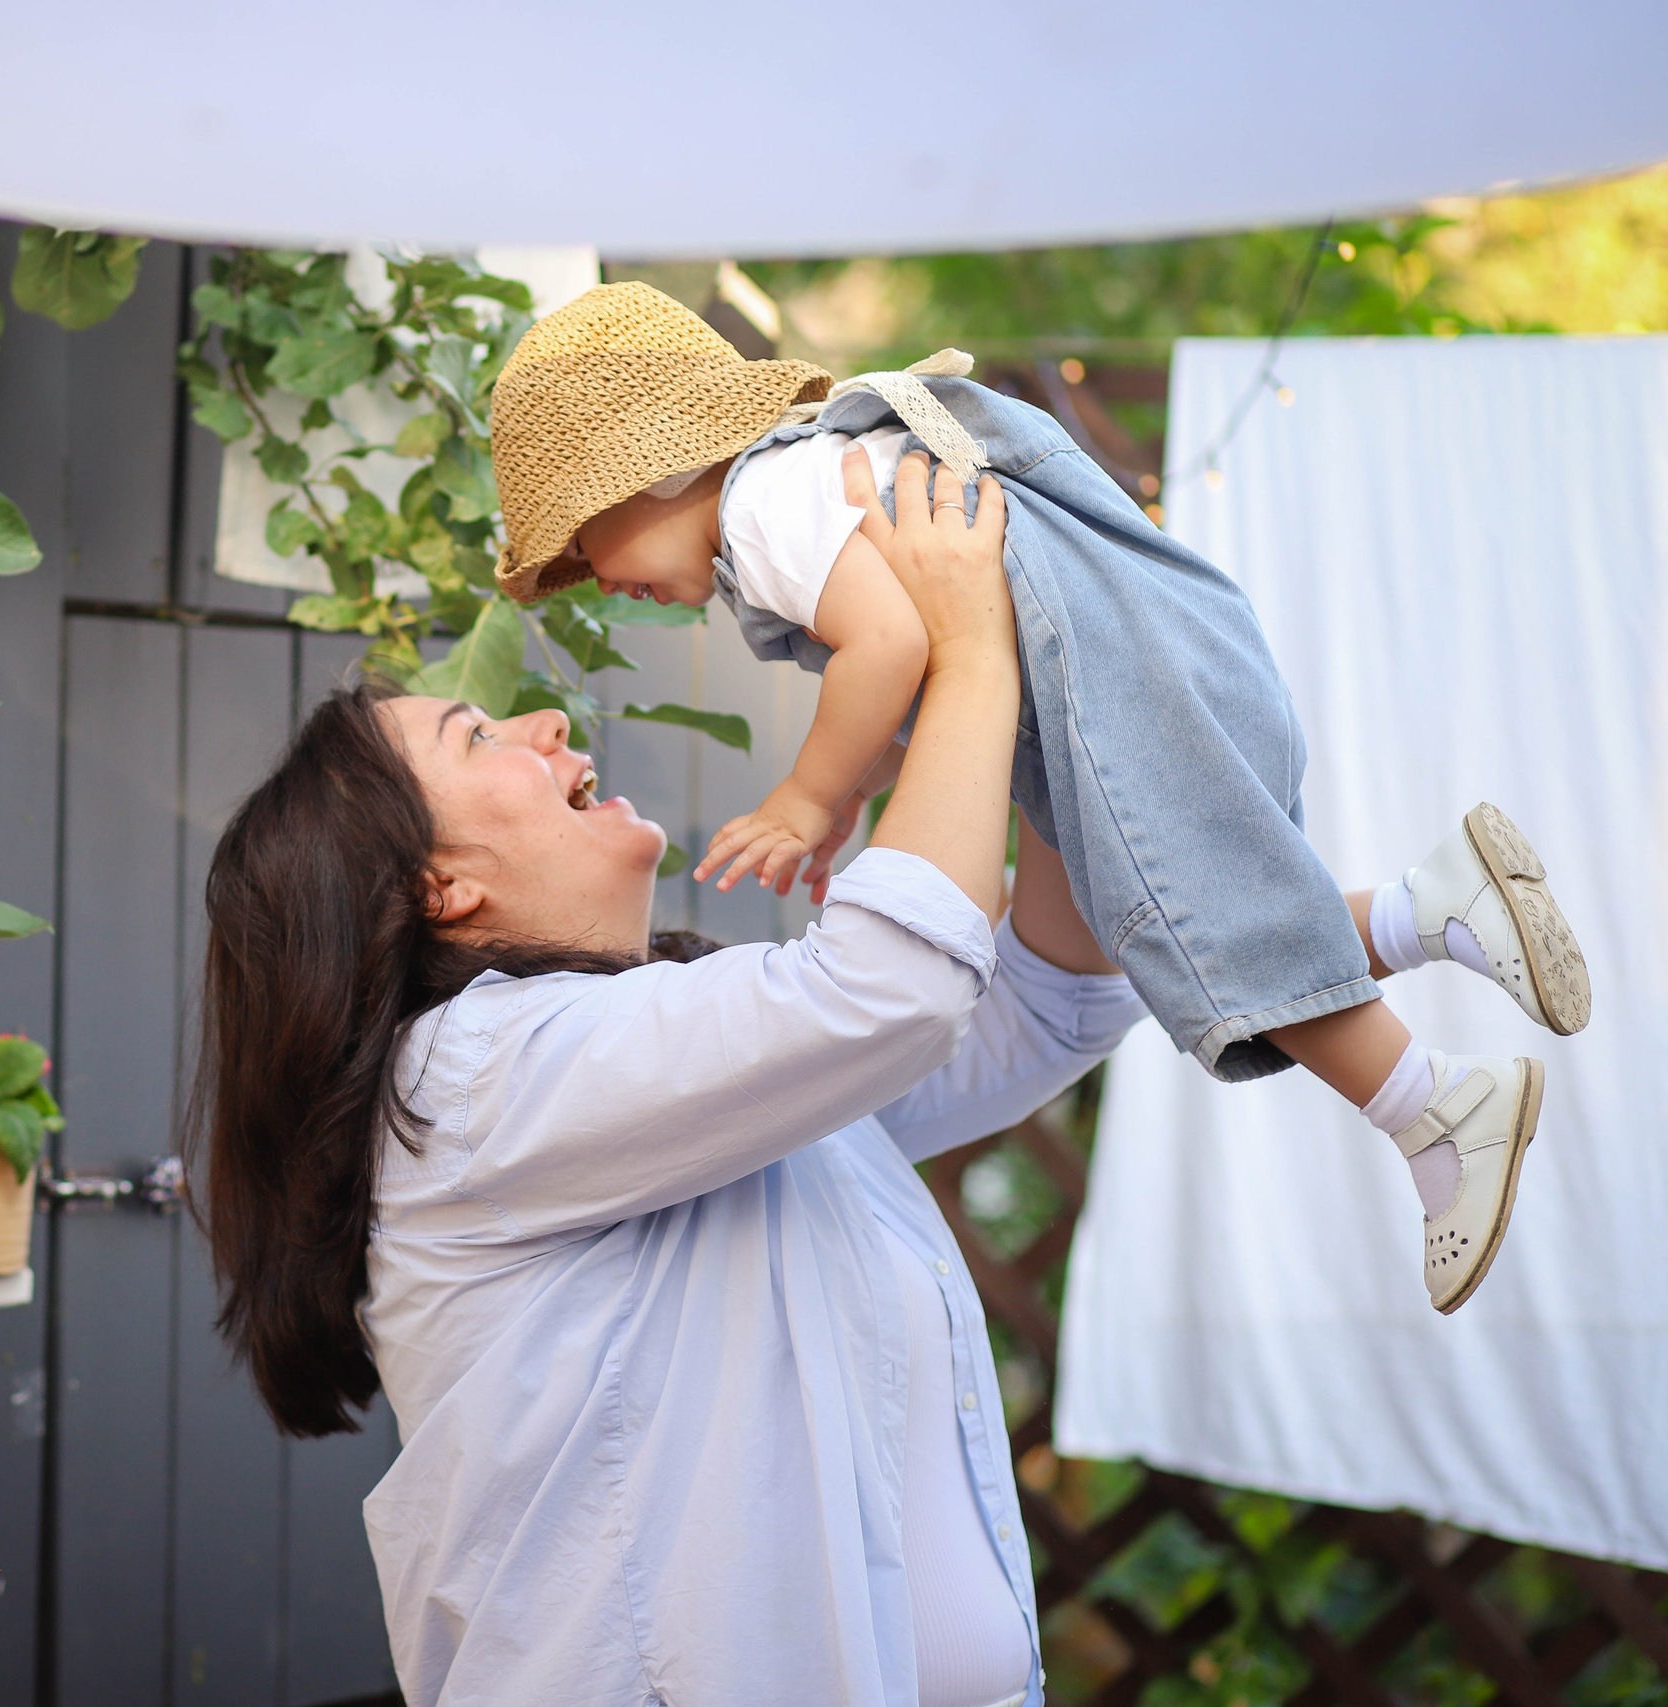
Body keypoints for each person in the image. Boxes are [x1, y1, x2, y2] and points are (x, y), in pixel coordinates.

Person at [193, 463, 1119, 1704]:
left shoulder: (671, 1066)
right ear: (439, 887)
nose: (548, 729)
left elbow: (1034, 1006)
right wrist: (971, 653)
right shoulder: (471, 1077)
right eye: (481, 738)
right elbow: (894, 987)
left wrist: (1022, 730)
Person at [485, 281, 1591, 1313]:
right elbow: (909, 667)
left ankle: (1432, 1107)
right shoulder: (799, 481)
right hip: (1128, 653)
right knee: (1159, 918)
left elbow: (890, 642)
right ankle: (1433, 908)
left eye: (583, 532)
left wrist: (805, 798)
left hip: (1100, 675)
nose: (592, 569)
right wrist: (853, 794)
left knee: (1196, 921)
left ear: (662, 469)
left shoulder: (762, 507)